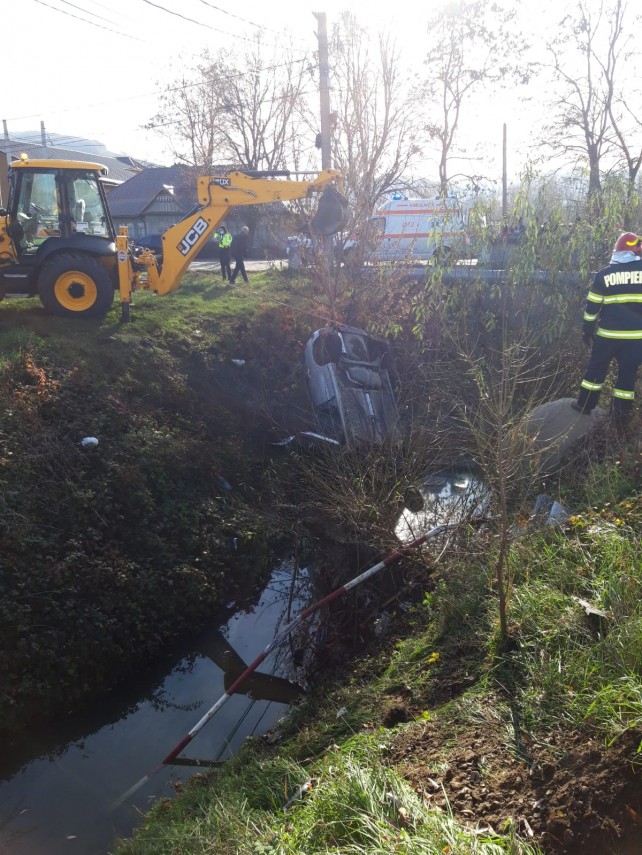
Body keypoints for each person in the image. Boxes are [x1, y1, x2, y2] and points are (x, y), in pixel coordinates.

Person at [573, 231, 642, 421]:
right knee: (627, 375)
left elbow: (592, 307)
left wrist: (587, 330)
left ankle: (585, 405)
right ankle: (620, 417)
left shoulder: (604, 275)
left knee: (595, 370)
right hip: (636, 339)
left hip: (608, 336)